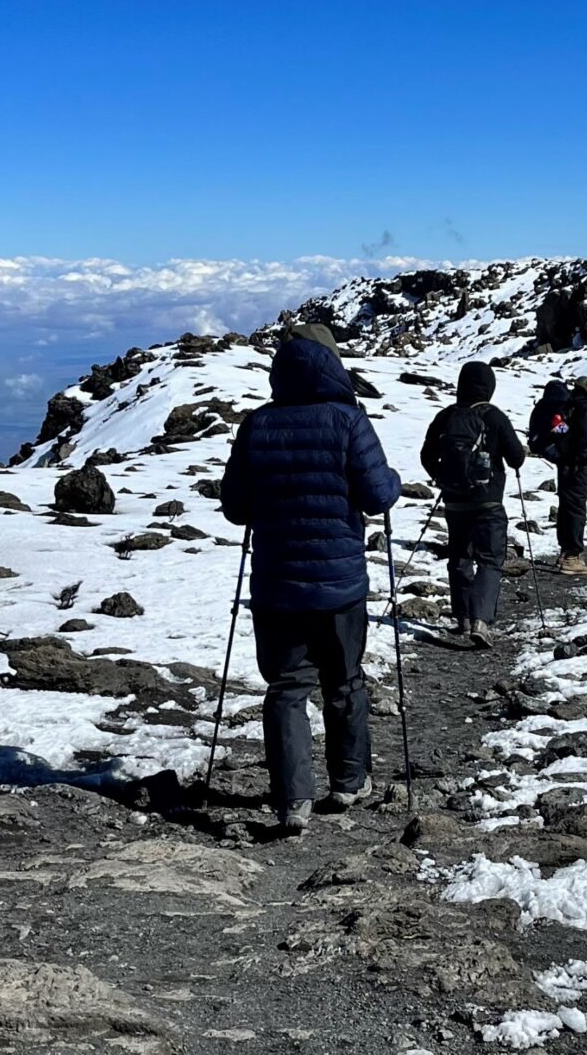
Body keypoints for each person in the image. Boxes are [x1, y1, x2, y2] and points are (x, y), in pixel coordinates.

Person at [220, 336, 402, 833]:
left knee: (286, 689)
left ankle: (292, 802)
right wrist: (395, 479)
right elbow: (378, 495)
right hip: (339, 583)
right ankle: (348, 781)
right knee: (343, 680)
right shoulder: (347, 420)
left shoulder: (257, 424)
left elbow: (236, 507)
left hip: (277, 586)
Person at [418, 361, 526, 648]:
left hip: (454, 503)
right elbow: (516, 457)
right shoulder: (494, 416)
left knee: (459, 558)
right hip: (488, 502)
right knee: (490, 560)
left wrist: (442, 477)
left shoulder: (446, 416)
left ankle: (463, 618)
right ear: (489, 387)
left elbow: (426, 455)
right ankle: (481, 620)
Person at [555, 377, 587, 576]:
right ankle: (572, 557)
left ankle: (566, 553)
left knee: (567, 505)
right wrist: (583, 457)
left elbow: (560, 429)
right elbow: (584, 436)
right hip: (578, 466)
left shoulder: (569, 404)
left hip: (565, 462)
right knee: (576, 507)